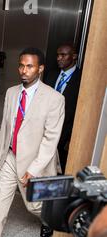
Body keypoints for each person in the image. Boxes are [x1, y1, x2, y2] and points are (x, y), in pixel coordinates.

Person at [0, 48, 65, 237]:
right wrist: (1, 156)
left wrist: (33, 170)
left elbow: (50, 140)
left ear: (40, 69)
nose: (24, 70)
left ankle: (48, 219)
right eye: (21, 65)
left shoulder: (54, 99)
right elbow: (7, 127)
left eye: (30, 66)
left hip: (36, 162)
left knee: (34, 206)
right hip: (11, 156)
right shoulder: (12, 92)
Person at [44, 43, 82, 172]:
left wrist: (71, 138)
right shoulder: (51, 74)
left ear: (74, 56)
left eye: (63, 55)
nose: (59, 58)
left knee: (59, 167)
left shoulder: (82, 79)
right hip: (45, 128)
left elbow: (79, 111)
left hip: (65, 132)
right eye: (58, 55)